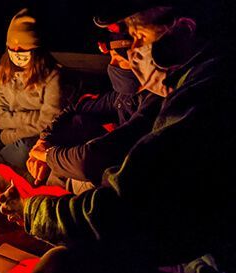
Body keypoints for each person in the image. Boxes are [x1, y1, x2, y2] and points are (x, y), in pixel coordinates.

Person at [0, 0, 236, 273]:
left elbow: (117, 211)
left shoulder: (207, 98)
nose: (129, 49)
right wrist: (49, 145)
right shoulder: (185, 87)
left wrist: (31, 210)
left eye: (138, 36)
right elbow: (106, 121)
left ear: (185, 31)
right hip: (194, 247)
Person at [26, 30, 164, 194]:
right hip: (103, 165)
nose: (112, 65)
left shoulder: (156, 104)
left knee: (63, 171)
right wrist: (44, 141)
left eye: (118, 60)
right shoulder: (124, 96)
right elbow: (76, 109)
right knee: (77, 122)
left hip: (132, 183)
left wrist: (47, 155)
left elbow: (91, 160)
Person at [0, 9, 72, 172]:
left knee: (22, 150)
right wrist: (32, 117)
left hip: (31, 140)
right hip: (4, 135)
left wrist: (11, 134)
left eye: (23, 53)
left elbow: (47, 121)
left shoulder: (51, 76)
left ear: (36, 50)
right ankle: (7, 171)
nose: (17, 56)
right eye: (12, 50)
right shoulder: (5, 72)